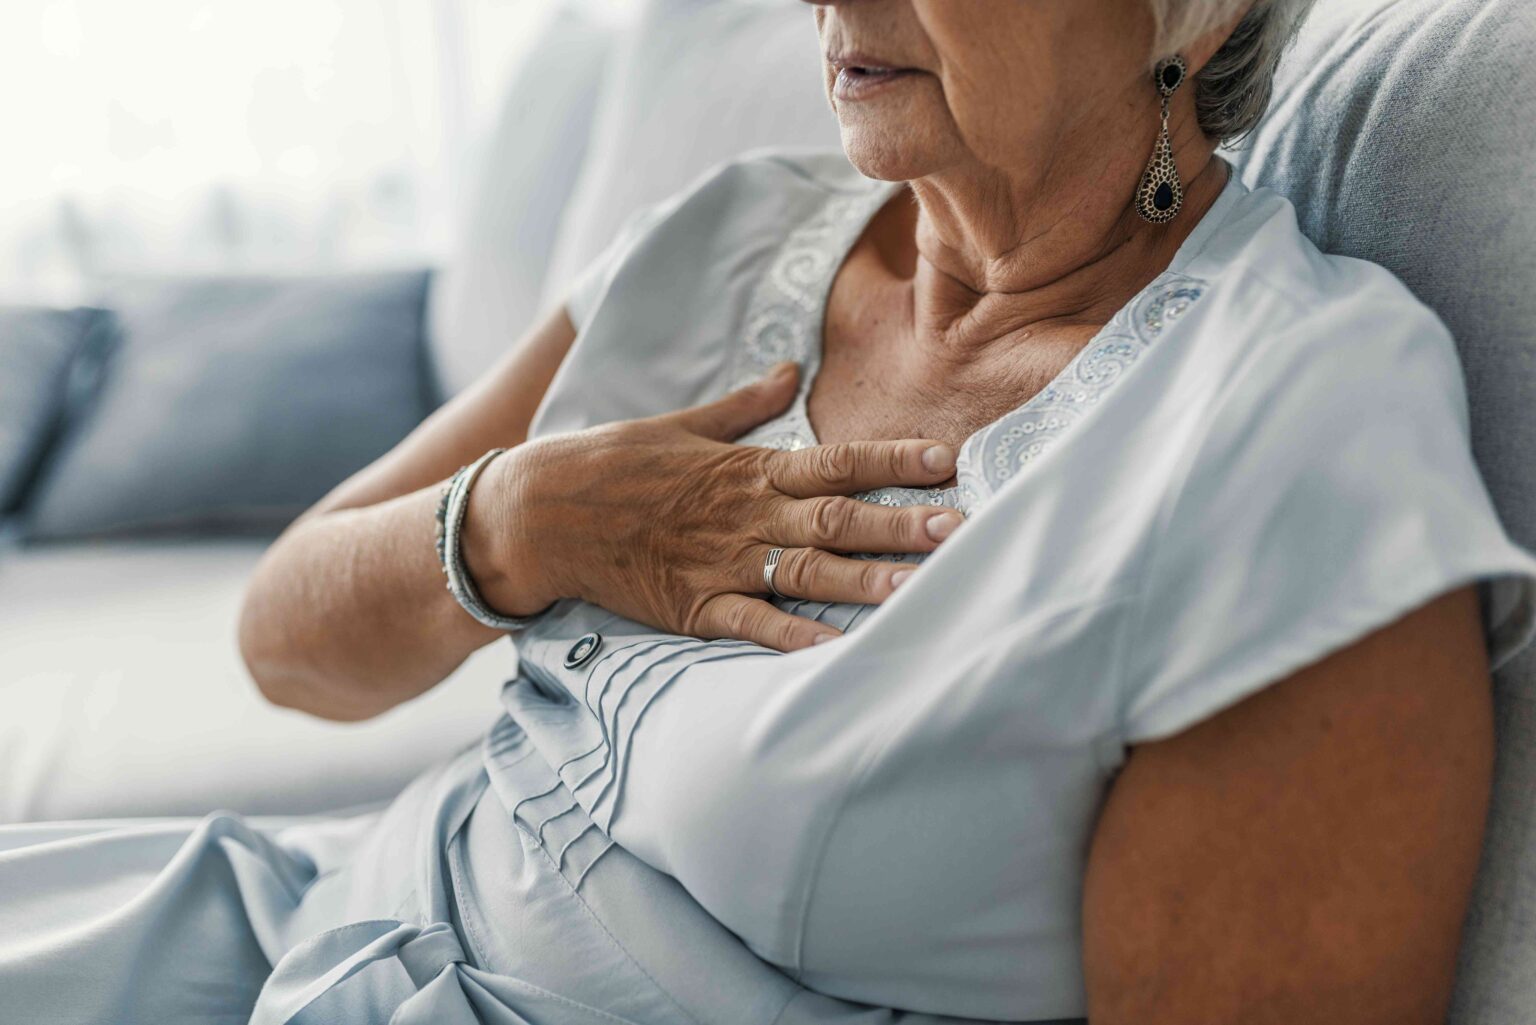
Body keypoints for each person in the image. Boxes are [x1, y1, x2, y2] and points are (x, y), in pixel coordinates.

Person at [5, 1, 1536, 1022]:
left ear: (1188, 13)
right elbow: (288, 643)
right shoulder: (738, 228)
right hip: (300, 921)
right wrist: (520, 519)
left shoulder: (1289, 424)